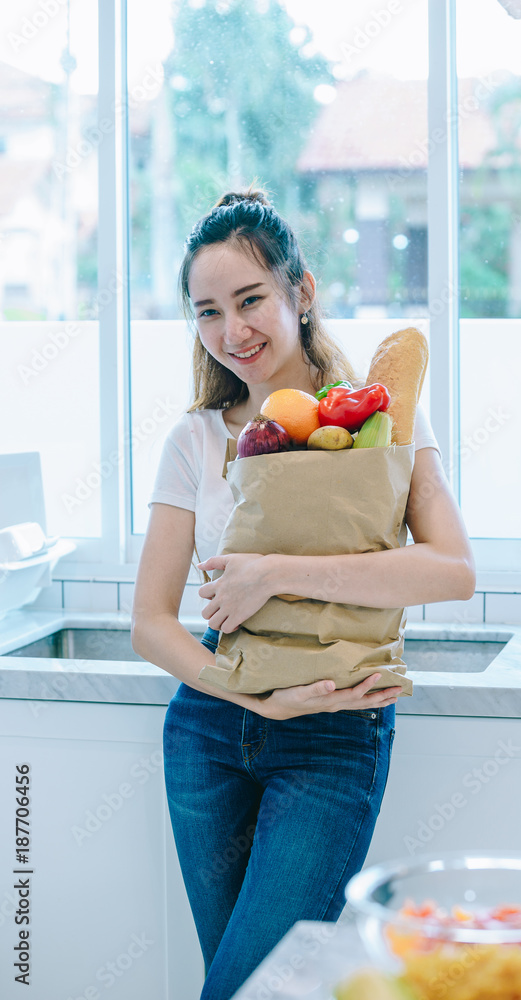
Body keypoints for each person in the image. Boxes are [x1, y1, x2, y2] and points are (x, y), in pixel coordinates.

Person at [131, 188, 475, 999]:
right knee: (249, 987)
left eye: (250, 299)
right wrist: (251, 698)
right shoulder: (195, 439)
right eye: (207, 311)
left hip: (331, 732)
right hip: (210, 728)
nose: (231, 331)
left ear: (302, 292)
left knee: (249, 990)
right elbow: (149, 623)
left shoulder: (379, 424)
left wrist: (275, 572)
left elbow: (452, 570)